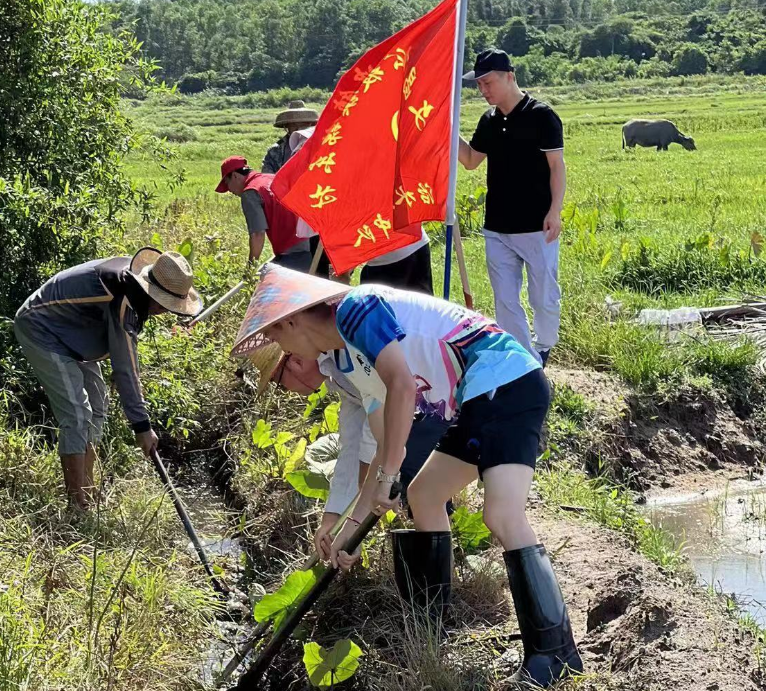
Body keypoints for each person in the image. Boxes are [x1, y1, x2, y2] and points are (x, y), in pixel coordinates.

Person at [231, 265, 582, 688]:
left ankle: (554, 654)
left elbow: (402, 387)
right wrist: (351, 525)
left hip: (504, 380)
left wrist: (389, 475)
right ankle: (433, 624)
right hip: (473, 399)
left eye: (276, 337)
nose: (280, 346)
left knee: (502, 516)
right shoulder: (348, 354)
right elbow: (383, 444)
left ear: (291, 320)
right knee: (426, 495)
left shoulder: (356, 309)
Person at [14, 248, 203, 510]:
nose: (166, 312)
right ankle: (77, 506)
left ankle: (88, 490)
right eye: (166, 306)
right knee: (78, 415)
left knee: (98, 405)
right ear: (155, 297)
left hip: (75, 334)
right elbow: (125, 366)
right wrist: (142, 426)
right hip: (43, 328)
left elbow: (124, 357)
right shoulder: (125, 297)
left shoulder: (134, 287)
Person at [265, 353, 449, 563]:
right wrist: (333, 518)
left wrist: (357, 514)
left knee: (419, 491)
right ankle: (434, 583)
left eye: (278, 383)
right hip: (420, 404)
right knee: (411, 490)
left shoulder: (348, 355)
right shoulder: (336, 375)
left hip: (435, 396)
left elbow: (382, 429)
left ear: (295, 362)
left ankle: (435, 586)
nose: (287, 392)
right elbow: (352, 443)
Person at [459, 48, 566, 368]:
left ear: (509, 76)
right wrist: (447, 129)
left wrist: (555, 211)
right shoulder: (488, 121)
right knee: (505, 301)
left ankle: (544, 344)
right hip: (497, 228)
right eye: (479, 85)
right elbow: (470, 161)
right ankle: (526, 362)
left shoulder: (541, 115)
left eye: (488, 82)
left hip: (537, 226)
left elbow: (557, 167)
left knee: (543, 297)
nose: (483, 90)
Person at [216, 156, 313, 272]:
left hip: (291, 255)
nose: (229, 190)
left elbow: (258, 234)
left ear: (235, 176)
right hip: (309, 246)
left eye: (227, 183)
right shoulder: (270, 177)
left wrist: (250, 269)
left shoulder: (250, 193)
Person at [262, 100, 319, 174]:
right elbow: (267, 177)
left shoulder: (321, 145)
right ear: (287, 127)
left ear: (310, 124)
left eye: (303, 124)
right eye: (293, 125)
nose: (299, 128)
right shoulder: (275, 150)